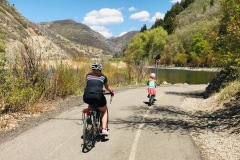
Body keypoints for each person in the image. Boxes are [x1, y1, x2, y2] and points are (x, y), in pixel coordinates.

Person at [83, 63, 114, 136]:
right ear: (100, 70)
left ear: (92, 69)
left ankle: (89, 119)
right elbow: (107, 88)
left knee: (90, 104)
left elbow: (90, 85)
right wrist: (111, 91)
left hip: (87, 96)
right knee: (104, 110)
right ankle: (103, 129)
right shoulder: (103, 77)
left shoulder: (88, 76)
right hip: (98, 96)